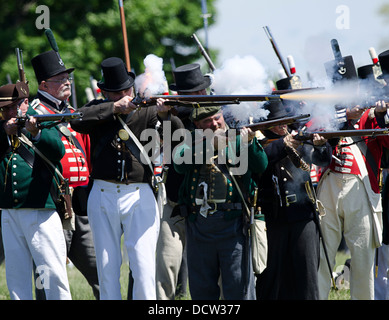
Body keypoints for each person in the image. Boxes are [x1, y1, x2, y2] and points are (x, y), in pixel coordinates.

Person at [70, 56, 182, 300]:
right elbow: (76, 119)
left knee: (143, 267)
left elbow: (176, 141)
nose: (122, 94)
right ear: (105, 92)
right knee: (107, 267)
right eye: (114, 92)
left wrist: (165, 115)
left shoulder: (148, 111)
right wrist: (114, 108)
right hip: (102, 193)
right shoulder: (99, 108)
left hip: (138, 194)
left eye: (125, 90)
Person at [173, 105, 268, 300]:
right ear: (198, 125)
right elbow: (179, 163)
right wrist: (211, 145)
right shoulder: (191, 139)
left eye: (217, 118)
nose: (215, 123)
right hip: (199, 224)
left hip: (232, 223)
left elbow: (261, 165)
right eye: (208, 121)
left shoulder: (238, 136)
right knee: (202, 290)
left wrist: (249, 143)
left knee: (238, 287)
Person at [317, 51, 389, 300]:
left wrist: (380, 116)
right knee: (323, 258)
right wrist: (343, 118)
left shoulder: (371, 115)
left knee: (363, 259)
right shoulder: (327, 116)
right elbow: (311, 133)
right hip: (328, 189)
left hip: (362, 190)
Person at [30, 50, 99, 299]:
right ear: (44, 85)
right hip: (53, 204)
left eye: (67, 77)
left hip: (81, 205)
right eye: (60, 79)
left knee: (101, 271)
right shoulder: (35, 114)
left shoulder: (71, 112)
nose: (67, 82)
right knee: (48, 276)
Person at [0, 81, 71, 299]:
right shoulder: (2, 126)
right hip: (9, 211)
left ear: (26, 103)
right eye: (6, 108)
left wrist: (35, 133)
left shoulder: (41, 120)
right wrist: (4, 131)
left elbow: (57, 150)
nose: (12, 112)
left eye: (15, 106)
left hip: (40, 209)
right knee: (16, 276)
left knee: (51, 273)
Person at [256, 100, 332, 300]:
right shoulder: (260, 145)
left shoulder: (299, 139)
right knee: (273, 276)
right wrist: (283, 144)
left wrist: (321, 146)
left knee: (306, 277)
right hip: (274, 217)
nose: (282, 126)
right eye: (277, 123)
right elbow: (260, 163)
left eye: (285, 122)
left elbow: (322, 160)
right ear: (265, 125)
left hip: (302, 214)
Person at [156, 63, 209, 300]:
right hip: (175, 201)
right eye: (195, 93)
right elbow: (175, 147)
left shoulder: (214, 117)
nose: (201, 97)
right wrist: (166, 116)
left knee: (209, 271)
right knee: (165, 265)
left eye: (202, 92)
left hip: (209, 205)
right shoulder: (170, 117)